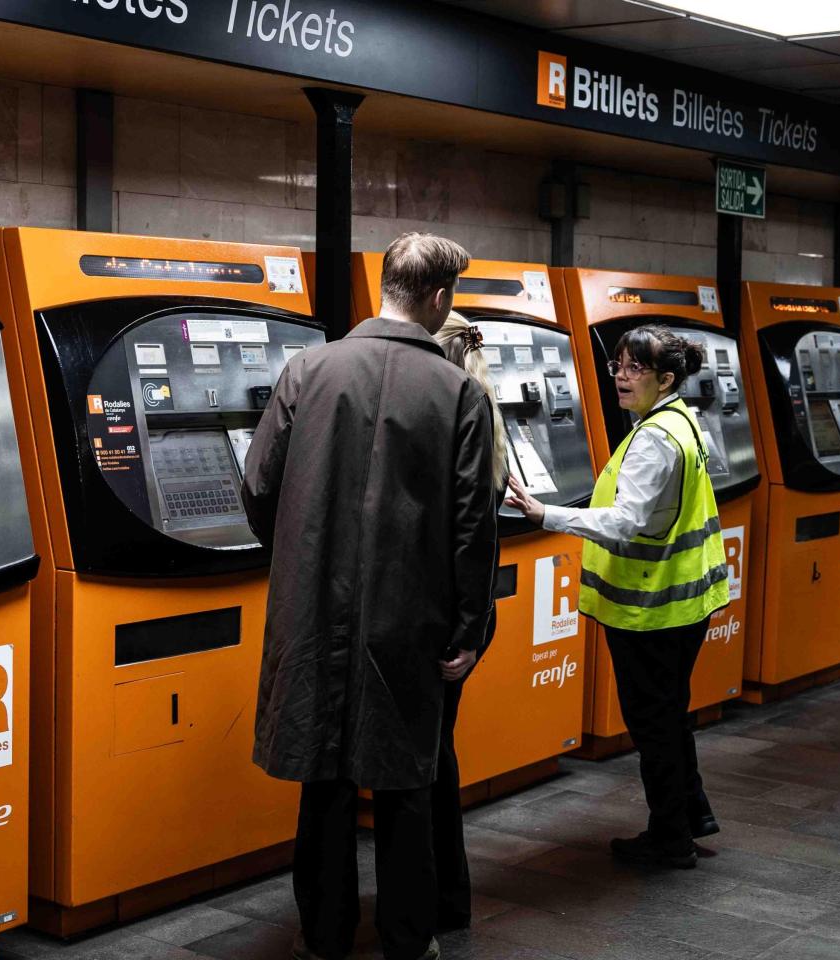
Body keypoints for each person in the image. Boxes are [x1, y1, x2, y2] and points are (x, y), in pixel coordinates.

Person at [242, 233, 498, 960]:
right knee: (405, 780)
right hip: (409, 617)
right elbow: (472, 525)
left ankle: (323, 936)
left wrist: (299, 560)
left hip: (312, 611)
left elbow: (259, 486)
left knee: (321, 780)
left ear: (384, 284)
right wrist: (469, 625)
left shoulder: (307, 370)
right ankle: (407, 939)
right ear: (440, 298)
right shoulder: (459, 394)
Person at [505, 324, 727, 870]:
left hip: (649, 608)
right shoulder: (682, 420)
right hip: (684, 602)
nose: (622, 378)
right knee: (671, 715)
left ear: (666, 378)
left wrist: (545, 514)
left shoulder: (654, 437)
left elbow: (627, 522)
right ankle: (689, 816)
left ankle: (670, 837)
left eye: (635, 369)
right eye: (618, 367)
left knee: (653, 723)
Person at [427, 312, 510, 931]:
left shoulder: (452, 417)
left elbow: (463, 539)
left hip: (444, 620)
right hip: (468, 616)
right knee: (438, 754)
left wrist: (462, 634)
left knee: (428, 764)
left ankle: (443, 899)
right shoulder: (486, 412)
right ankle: (450, 899)